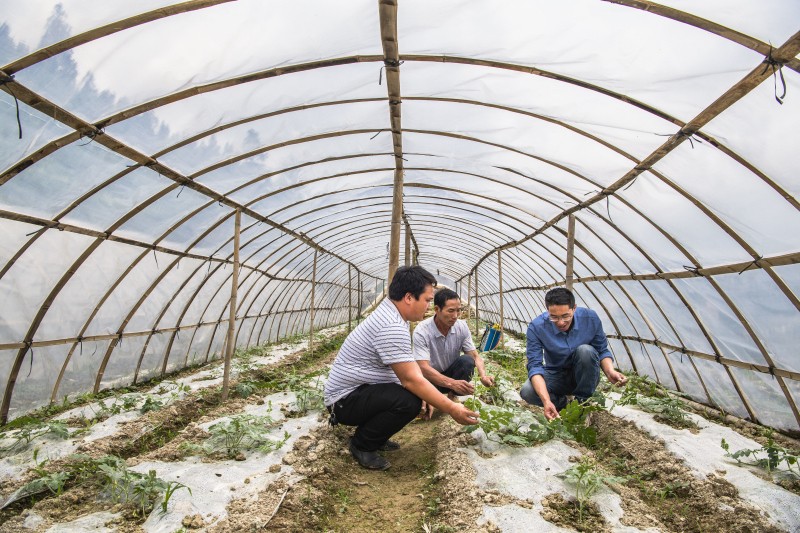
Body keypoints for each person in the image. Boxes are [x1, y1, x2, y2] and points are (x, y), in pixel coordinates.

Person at [323, 266, 479, 471]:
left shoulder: (393, 316)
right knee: (409, 401)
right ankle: (362, 444)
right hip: (343, 402)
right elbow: (411, 379)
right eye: (427, 300)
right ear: (408, 297)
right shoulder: (391, 325)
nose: (428, 307)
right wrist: (451, 408)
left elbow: (403, 372)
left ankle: (376, 436)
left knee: (413, 397)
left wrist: (427, 395)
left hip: (357, 393)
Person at [520, 287, 627, 420]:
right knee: (528, 391)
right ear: (547, 310)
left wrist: (610, 371)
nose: (560, 322)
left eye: (566, 316)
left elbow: (601, 350)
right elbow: (535, 366)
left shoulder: (590, 318)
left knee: (585, 351)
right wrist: (547, 401)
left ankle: (583, 405)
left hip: (585, 375)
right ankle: (563, 405)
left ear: (574, 308)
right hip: (556, 375)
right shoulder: (537, 327)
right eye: (554, 317)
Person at [413, 288, 494, 406]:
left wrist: (483, 375)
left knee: (467, 360)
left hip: (451, 376)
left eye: (458, 311)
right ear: (437, 309)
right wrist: (452, 383)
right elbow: (423, 368)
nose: (455, 316)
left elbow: (475, 356)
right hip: (430, 380)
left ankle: (453, 395)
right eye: (450, 311)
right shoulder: (422, 331)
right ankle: (429, 398)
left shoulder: (461, 327)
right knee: (414, 399)